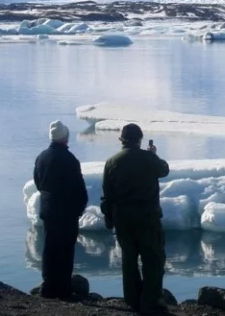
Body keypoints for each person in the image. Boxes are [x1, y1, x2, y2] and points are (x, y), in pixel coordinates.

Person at [101, 123, 170, 314]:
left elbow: (107, 193)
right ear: (139, 139)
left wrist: (109, 217)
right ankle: (150, 302)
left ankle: (132, 300)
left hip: (123, 218)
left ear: (122, 140)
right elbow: (164, 170)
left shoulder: (112, 162)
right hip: (147, 218)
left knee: (129, 260)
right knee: (153, 260)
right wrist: (153, 154)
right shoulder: (148, 158)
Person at [33, 120, 88, 299]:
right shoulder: (70, 160)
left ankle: (48, 287)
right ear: (65, 138)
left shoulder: (41, 157)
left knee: (50, 248)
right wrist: (80, 208)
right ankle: (63, 289)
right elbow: (79, 188)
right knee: (66, 249)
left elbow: (38, 181)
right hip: (67, 211)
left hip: (49, 209)